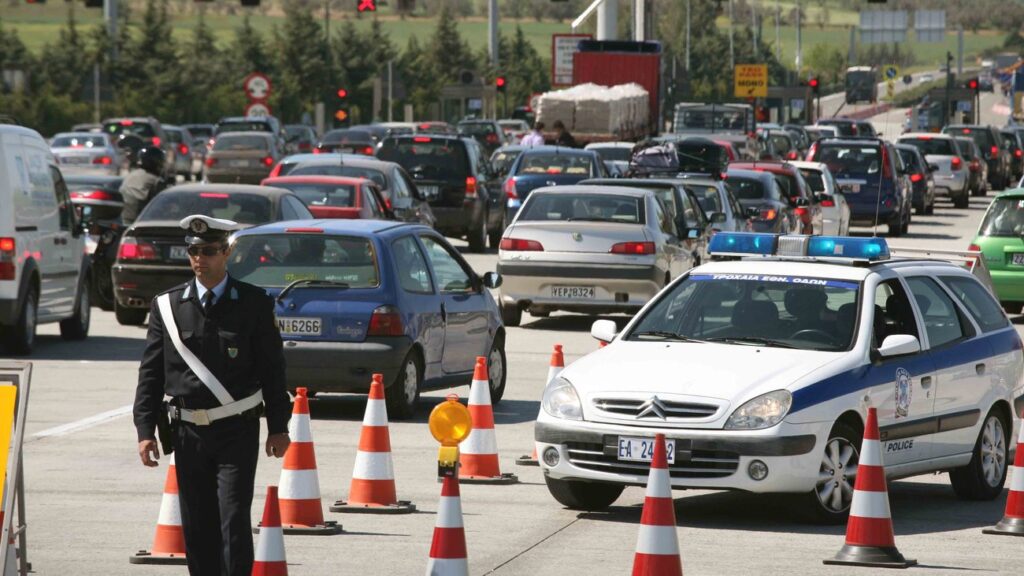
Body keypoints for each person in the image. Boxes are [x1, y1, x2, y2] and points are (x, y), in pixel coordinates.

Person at [134, 215, 291, 576]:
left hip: (237, 430)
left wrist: (278, 426)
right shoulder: (168, 306)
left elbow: (272, 370)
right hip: (187, 432)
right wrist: (144, 430)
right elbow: (151, 374)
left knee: (233, 517)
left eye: (207, 251)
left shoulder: (253, 303)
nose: (199, 259)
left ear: (226, 253)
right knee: (197, 524)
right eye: (193, 252)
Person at [120, 147, 167, 225]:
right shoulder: (157, 181)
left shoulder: (130, 175)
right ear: (157, 162)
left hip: (124, 219)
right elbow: (165, 206)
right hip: (145, 223)